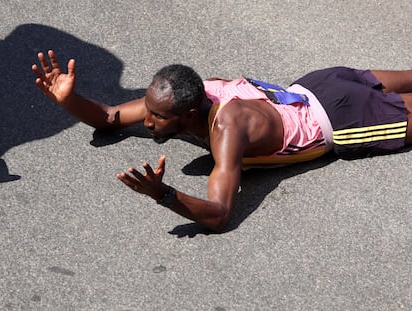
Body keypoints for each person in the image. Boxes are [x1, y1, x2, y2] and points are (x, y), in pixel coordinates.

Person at [32, 50, 412, 232]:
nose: (146, 120)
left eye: (158, 116)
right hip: (318, 84)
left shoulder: (227, 129)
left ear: (191, 116)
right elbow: (111, 117)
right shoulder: (196, 92)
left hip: (345, 118)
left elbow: (219, 214)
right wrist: (70, 101)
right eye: (149, 109)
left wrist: (164, 195)